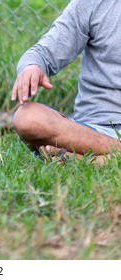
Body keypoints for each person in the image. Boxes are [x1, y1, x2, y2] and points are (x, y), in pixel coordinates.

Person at [11, 0, 121, 164]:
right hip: (92, 132)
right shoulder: (93, 4)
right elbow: (43, 52)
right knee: (27, 118)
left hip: (91, 144)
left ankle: (96, 160)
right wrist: (32, 67)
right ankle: (110, 155)